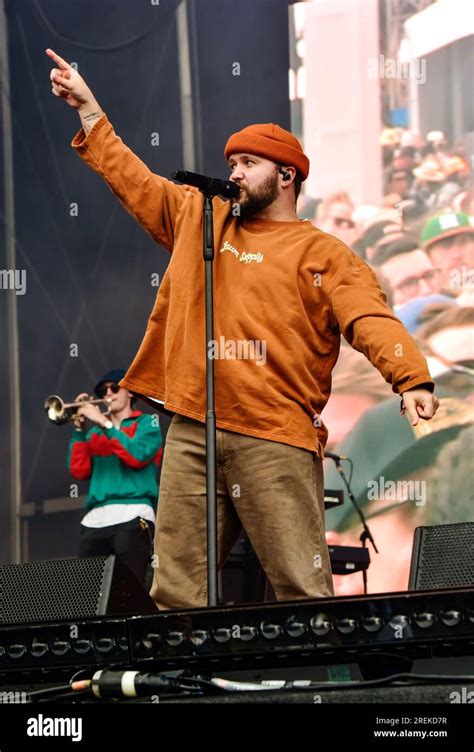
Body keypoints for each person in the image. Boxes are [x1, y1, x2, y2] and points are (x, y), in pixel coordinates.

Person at [47, 48, 439, 610]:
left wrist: (411, 378)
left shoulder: (321, 252)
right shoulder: (199, 218)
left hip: (273, 430)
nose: (232, 172)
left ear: (286, 175)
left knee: (301, 589)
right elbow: (133, 179)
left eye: (248, 163)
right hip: (191, 426)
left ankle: (327, 694)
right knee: (176, 590)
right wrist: (90, 113)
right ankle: (183, 695)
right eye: (231, 162)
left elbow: (367, 316)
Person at [68, 369, 163, 586]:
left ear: (130, 392)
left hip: (134, 513)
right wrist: (79, 430)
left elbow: (137, 456)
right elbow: (79, 470)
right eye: (103, 390)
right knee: (90, 593)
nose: (108, 393)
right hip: (95, 520)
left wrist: (104, 423)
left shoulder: (148, 423)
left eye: (114, 387)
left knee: (130, 588)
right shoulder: (94, 434)